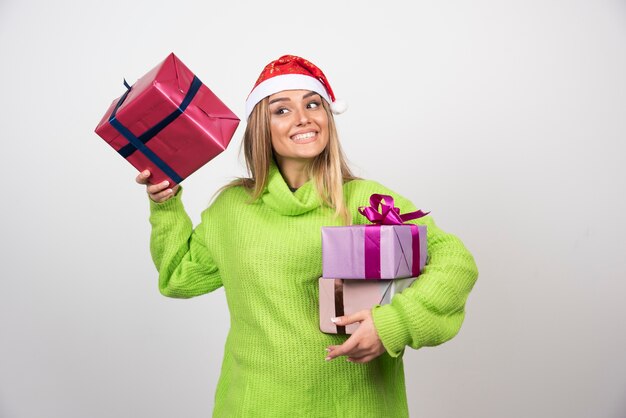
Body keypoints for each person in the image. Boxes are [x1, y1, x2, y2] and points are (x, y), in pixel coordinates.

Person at [136, 55, 478, 417]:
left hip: (354, 407)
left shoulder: (366, 202)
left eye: (313, 104)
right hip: (253, 405)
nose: (303, 118)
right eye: (281, 110)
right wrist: (166, 206)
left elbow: (454, 261)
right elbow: (179, 278)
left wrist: (393, 324)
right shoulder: (231, 210)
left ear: (327, 117)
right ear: (260, 129)